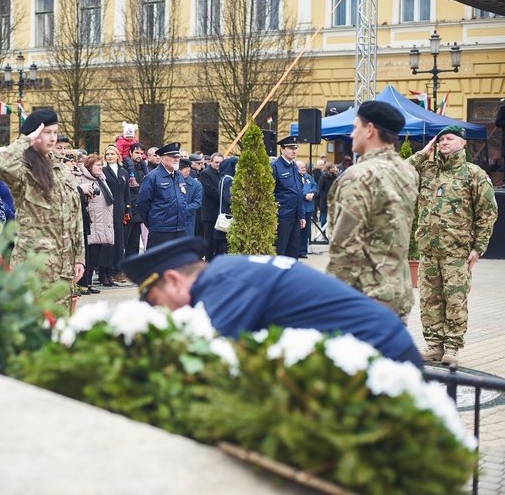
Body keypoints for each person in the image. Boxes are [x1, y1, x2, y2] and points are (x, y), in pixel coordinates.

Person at [121, 236, 423, 367]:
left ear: (173, 279)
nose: (160, 311)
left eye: (154, 300)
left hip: (384, 355)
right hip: (379, 343)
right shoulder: (227, 270)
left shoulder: (223, 284)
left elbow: (213, 354)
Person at [407, 125, 498, 365]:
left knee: (455, 301)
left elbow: (488, 212)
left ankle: (452, 349)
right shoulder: (427, 170)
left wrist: (479, 248)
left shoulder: (473, 174)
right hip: (428, 250)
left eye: (450, 138)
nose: (444, 142)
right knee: (429, 301)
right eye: (441, 139)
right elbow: (399, 173)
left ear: (463, 143)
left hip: (456, 252)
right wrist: (423, 152)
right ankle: (434, 346)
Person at [326, 100, 419, 321]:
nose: (351, 134)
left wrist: (331, 301)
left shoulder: (357, 177)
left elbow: (344, 248)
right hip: (398, 292)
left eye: (355, 127)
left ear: (369, 130)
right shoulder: (408, 172)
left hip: (364, 298)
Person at [0, 109, 85, 307]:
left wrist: (79, 257)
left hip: (63, 266)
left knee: (60, 325)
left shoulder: (61, 169)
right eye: (46, 133)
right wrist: (27, 139)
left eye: (54, 132)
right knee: (33, 324)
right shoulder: (23, 170)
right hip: (34, 265)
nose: (53, 138)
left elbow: (75, 216)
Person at [136, 142, 187, 249]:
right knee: (158, 262)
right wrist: (154, 222)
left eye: (178, 157)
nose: (177, 159)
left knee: (178, 263)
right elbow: (142, 204)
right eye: (173, 157)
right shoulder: (152, 177)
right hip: (161, 230)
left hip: (179, 228)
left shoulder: (179, 176)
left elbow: (182, 199)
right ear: (163, 159)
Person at [78, 154, 116, 289]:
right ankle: (83, 284)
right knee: (89, 255)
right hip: (92, 223)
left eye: (101, 165)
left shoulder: (101, 180)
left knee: (95, 256)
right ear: (89, 166)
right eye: (97, 165)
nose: (101, 168)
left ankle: (88, 283)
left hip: (102, 223)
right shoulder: (82, 180)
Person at [271, 136, 305, 258]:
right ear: (282, 149)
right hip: (282, 216)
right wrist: (273, 217)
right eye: (291, 148)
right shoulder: (275, 166)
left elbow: (298, 192)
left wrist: (301, 216)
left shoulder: (294, 166)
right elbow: (271, 193)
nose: (294, 151)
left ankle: (291, 275)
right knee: (281, 250)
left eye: (295, 148)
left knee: (294, 250)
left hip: (295, 216)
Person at [102, 145, 130, 283]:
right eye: (107, 154)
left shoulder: (123, 172)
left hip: (120, 209)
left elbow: (127, 193)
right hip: (108, 208)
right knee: (109, 240)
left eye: (112, 154)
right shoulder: (103, 171)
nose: (110, 156)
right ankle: (109, 270)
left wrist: (128, 208)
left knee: (120, 240)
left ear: (118, 156)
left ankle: (119, 269)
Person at [124, 143, 149, 259]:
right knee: (125, 241)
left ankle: (131, 267)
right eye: (137, 153)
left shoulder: (143, 168)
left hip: (139, 209)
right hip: (128, 209)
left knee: (134, 242)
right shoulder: (125, 167)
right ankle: (119, 269)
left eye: (141, 153)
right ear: (130, 152)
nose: (139, 155)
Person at [199, 153, 224, 260]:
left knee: (220, 242)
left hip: (221, 213)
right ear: (211, 162)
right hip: (210, 213)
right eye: (216, 162)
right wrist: (226, 197)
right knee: (209, 241)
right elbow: (211, 191)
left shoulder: (223, 173)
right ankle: (209, 261)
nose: (218, 164)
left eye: (220, 162)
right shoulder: (206, 173)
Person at [212, 156, 237, 257]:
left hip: (224, 214)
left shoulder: (224, 178)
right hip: (228, 216)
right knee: (225, 246)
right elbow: (229, 198)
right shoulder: (229, 179)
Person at [297, 160, 318, 258]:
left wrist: (312, 193)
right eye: (302, 167)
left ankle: (303, 251)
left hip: (308, 208)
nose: (304, 169)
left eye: (304, 167)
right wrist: (305, 195)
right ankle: (296, 251)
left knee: (306, 232)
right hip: (299, 209)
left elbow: (315, 187)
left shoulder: (308, 177)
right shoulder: (295, 177)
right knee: (298, 231)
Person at [179, 158, 202, 237]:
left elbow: (197, 203)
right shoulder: (170, 181)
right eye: (183, 170)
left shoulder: (196, 185)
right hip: (170, 221)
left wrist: (181, 211)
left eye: (188, 170)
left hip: (187, 220)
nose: (187, 172)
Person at [317, 162, 338, 228]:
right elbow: (320, 188)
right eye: (332, 168)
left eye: (334, 167)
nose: (334, 169)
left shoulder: (335, 176)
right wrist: (325, 197)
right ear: (328, 169)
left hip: (334, 200)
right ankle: (323, 232)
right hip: (325, 200)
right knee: (324, 216)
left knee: (334, 216)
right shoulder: (323, 177)